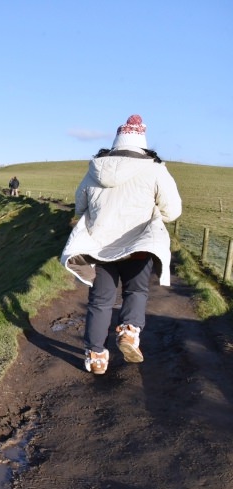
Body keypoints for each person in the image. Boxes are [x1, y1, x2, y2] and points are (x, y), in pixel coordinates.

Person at [60, 114, 182, 375]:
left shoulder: (96, 168)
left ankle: (95, 356)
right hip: (138, 247)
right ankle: (128, 331)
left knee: (100, 301)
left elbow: (80, 207)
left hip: (101, 249)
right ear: (142, 141)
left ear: (116, 141)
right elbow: (172, 211)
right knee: (136, 293)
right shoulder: (155, 169)